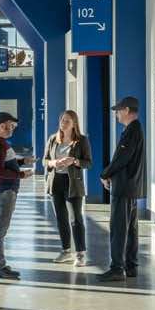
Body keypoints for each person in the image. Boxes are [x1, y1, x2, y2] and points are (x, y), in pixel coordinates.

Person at [97, 96, 146, 282]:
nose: (117, 115)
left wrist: (105, 173)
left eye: (118, 111)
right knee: (130, 228)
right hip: (130, 187)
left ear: (126, 110)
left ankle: (117, 267)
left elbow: (122, 158)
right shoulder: (136, 129)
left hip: (124, 187)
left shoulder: (132, 131)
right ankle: (130, 266)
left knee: (119, 228)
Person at [0, 111, 36, 280]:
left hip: (4, 189)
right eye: (10, 126)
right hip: (4, 190)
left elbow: (5, 162)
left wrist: (22, 162)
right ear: (1, 126)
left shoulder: (0, 143)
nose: (12, 129)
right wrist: (21, 175)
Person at [43, 109, 93, 265]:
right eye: (62, 120)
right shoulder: (53, 139)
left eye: (67, 121)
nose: (63, 124)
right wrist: (53, 163)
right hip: (56, 181)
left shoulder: (81, 141)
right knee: (61, 218)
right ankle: (66, 251)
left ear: (74, 124)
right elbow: (45, 161)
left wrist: (74, 161)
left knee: (76, 219)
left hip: (73, 184)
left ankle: (80, 254)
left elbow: (88, 162)